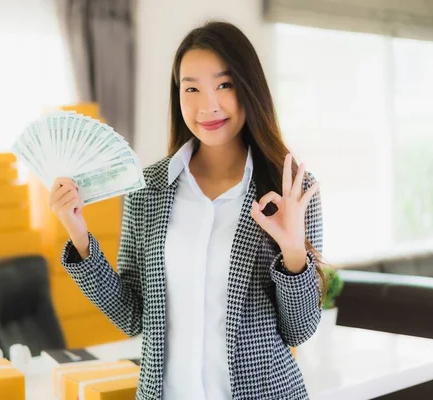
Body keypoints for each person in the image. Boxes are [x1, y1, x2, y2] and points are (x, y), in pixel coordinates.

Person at [49, 20, 325, 400]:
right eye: (191, 88)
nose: (207, 105)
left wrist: (294, 252)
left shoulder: (289, 188)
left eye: (224, 85)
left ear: (249, 88)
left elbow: (300, 329)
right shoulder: (148, 189)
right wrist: (79, 237)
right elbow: (131, 315)